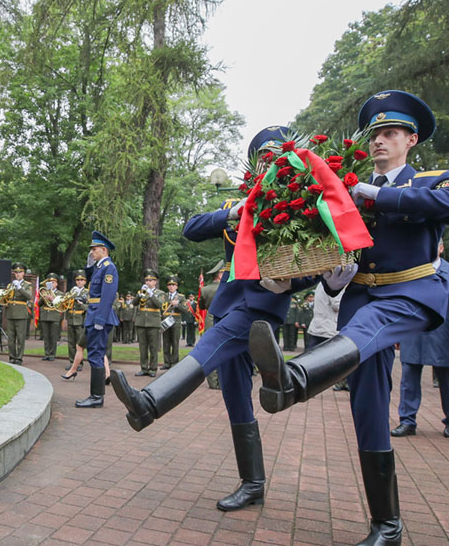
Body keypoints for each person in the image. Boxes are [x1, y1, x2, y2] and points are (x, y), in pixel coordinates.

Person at [249, 92, 449, 546]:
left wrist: (376, 195)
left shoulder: (432, 180)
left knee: (369, 327)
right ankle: (386, 525)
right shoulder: (344, 189)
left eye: (391, 133)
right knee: (367, 409)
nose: (380, 142)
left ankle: (294, 379)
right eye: (375, 134)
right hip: (360, 298)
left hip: (409, 294)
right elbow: (330, 250)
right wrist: (299, 277)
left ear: (411, 140)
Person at [110, 126, 322, 511]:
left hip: (259, 307)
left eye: (276, 155)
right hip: (227, 304)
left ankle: (150, 403)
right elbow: (191, 229)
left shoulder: (301, 202)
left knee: (208, 347)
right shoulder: (242, 205)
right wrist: (235, 211)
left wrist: (289, 283)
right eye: (263, 157)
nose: (269, 162)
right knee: (235, 397)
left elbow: (314, 263)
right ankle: (253, 483)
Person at [392, 242, 449, 438]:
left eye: (433, 244)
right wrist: (397, 332)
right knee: (408, 380)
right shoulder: (408, 270)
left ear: (442, 248)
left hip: (446, 335)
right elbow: (400, 302)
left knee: (448, 381)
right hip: (413, 334)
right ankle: (407, 421)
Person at [76, 231, 119, 407]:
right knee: (95, 353)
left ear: (103, 249)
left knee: (96, 354)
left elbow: (108, 296)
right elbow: (93, 283)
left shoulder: (109, 267)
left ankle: (96, 397)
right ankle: (96, 395)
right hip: (94, 314)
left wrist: (100, 320)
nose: (92, 252)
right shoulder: (101, 267)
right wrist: (89, 264)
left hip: (99, 316)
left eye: (94, 249)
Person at [199, 261, 225, 390]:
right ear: (220, 274)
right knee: (224, 350)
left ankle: (212, 382)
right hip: (225, 319)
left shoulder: (205, 289)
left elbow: (201, 306)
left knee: (210, 351)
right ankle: (222, 381)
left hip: (210, 319)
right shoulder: (227, 287)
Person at [2, 262, 33, 365]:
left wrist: (19, 287)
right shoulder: (10, 285)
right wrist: (4, 302)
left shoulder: (27, 285)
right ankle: (12, 357)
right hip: (10, 312)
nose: (18, 274)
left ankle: (19, 358)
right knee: (11, 338)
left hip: (21, 313)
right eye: (16, 272)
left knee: (20, 337)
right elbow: (6, 297)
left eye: (20, 272)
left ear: (24, 273)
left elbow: (29, 296)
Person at [134, 272, 163, 376]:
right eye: (146, 280)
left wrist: (151, 294)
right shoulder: (142, 291)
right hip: (141, 322)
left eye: (150, 280)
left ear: (155, 282)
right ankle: (144, 368)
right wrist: (139, 295)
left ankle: (153, 369)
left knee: (153, 347)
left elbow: (160, 305)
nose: (148, 282)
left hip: (153, 322)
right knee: (142, 347)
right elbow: (134, 303)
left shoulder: (160, 293)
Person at [306, 282, 343, 350]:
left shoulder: (323, 283)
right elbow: (337, 305)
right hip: (328, 327)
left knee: (312, 354)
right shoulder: (335, 283)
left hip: (320, 325)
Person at [64, 270, 89, 370]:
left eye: (81, 280)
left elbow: (89, 307)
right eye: (77, 280)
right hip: (71, 319)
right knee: (71, 343)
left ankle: (80, 363)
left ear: (85, 281)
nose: (79, 282)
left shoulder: (87, 292)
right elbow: (66, 305)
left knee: (79, 343)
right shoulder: (71, 291)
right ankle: (71, 362)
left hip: (80, 320)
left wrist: (81, 304)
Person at [38, 273, 63, 361]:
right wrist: (43, 297)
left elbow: (61, 305)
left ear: (56, 284)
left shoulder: (60, 293)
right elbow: (38, 304)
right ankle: (47, 353)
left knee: (53, 336)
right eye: (49, 282)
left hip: (54, 316)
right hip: (45, 315)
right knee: (46, 336)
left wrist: (53, 299)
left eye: (53, 282)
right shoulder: (44, 292)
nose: (51, 284)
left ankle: (52, 354)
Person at [160, 276, 183, 369]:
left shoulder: (181, 297)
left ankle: (174, 363)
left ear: (177, 286)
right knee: (165, 342)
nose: (171, 287)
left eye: (173, 285)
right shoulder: (163, 296)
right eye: (169, 285)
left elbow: (186, 309)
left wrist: (177, 304)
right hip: (165, 321)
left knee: (175, 343)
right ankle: (166, 362)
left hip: (176, 321)